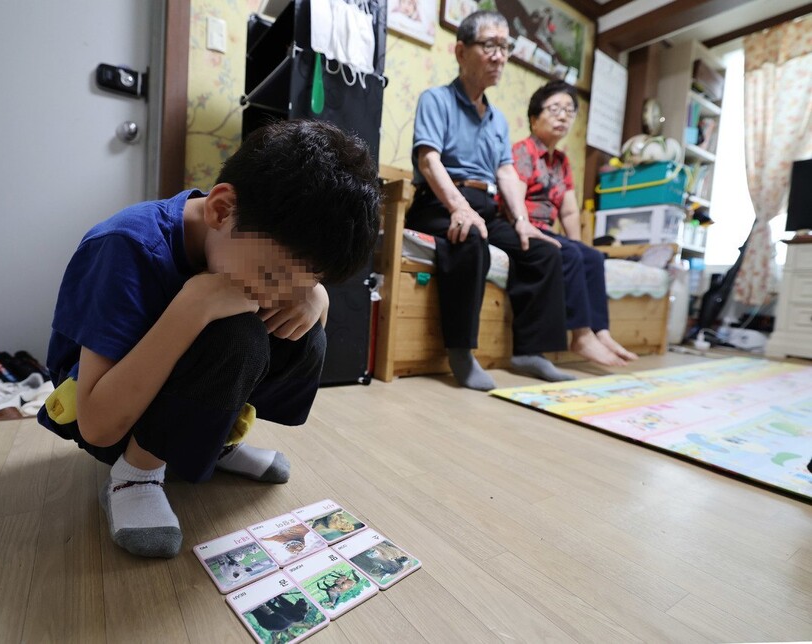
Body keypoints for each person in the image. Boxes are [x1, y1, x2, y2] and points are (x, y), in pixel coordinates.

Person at [38, 120, 380, 558]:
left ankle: (214, 445)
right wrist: (192, 307)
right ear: (221, 210)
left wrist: (315, 296)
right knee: (237, 334)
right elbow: (98, 426)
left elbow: (291, 291)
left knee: (302, 327)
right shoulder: (125, 246)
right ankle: (135, 474)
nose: (274, 296)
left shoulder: (244, 239)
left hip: (174, 388)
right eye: (272, 277)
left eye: (298, 282)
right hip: (102, 407)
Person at [407, 9, 578, 391]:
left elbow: (505, 174)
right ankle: (461, 354)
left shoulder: (498, 120)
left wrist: (521, 220)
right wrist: (459, 207)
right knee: (470, 238)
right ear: (461, 51)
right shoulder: (437, 100)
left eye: (505, 46)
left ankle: (530, 352)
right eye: (490, 45)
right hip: (440, 200)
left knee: (542, 250)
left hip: (486, 204)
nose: (500, 56)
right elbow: (428, 159)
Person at [508, 80, 637, 364]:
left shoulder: (562, 162)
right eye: (554, 109)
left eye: (569, 110)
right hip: (525, 226)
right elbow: (514, 199)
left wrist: (577, 243)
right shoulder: (523, 151)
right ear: (534, 118)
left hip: (547, 228)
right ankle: (581, 336)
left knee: (590, 255)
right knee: (570, 253)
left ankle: (600, 332)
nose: (563, 116)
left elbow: (568, 211)